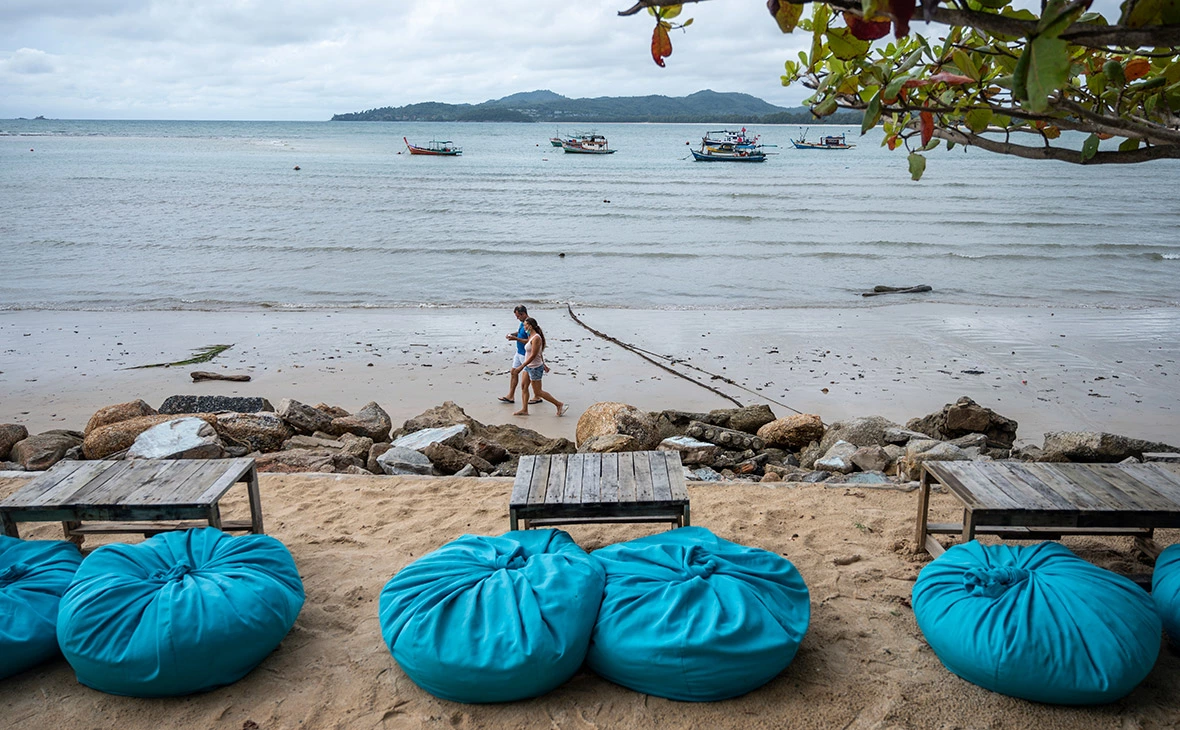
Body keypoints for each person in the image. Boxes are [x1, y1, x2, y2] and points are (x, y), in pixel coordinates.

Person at [514, 317, 567, 417]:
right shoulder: (531, 336)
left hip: (535, 367)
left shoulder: (537, 338)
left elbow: (534, 354)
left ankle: (559, 404)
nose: (524, 327)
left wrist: (522, 366)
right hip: (528, 366)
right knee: (524, 386)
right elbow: (538, 352)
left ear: (530, 326)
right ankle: (524, 409)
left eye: (525, 325)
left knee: (538, 392)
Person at [499, 305, 539, 405]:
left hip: (526, 354)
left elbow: (530, 340)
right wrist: (513, 334)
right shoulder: (522, 323)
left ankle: (537, 395)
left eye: (518, 316)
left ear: (523, 314)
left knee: (531, 378)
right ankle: (511, 395)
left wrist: (516, 339)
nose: (517, 318)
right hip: (519, 352)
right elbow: (520, 332)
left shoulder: (529, 325)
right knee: (513, 372)